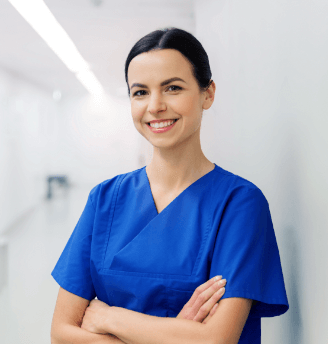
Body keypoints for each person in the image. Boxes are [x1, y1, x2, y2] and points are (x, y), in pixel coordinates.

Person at [50, 27, 289, 344]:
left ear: (208, 93)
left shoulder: (240, 203)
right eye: (140, 92)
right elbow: (61, 334)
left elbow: (215, 340)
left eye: (173, 88)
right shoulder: (105, 199)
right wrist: (176, 334)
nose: (155, 106)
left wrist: (110, 318)